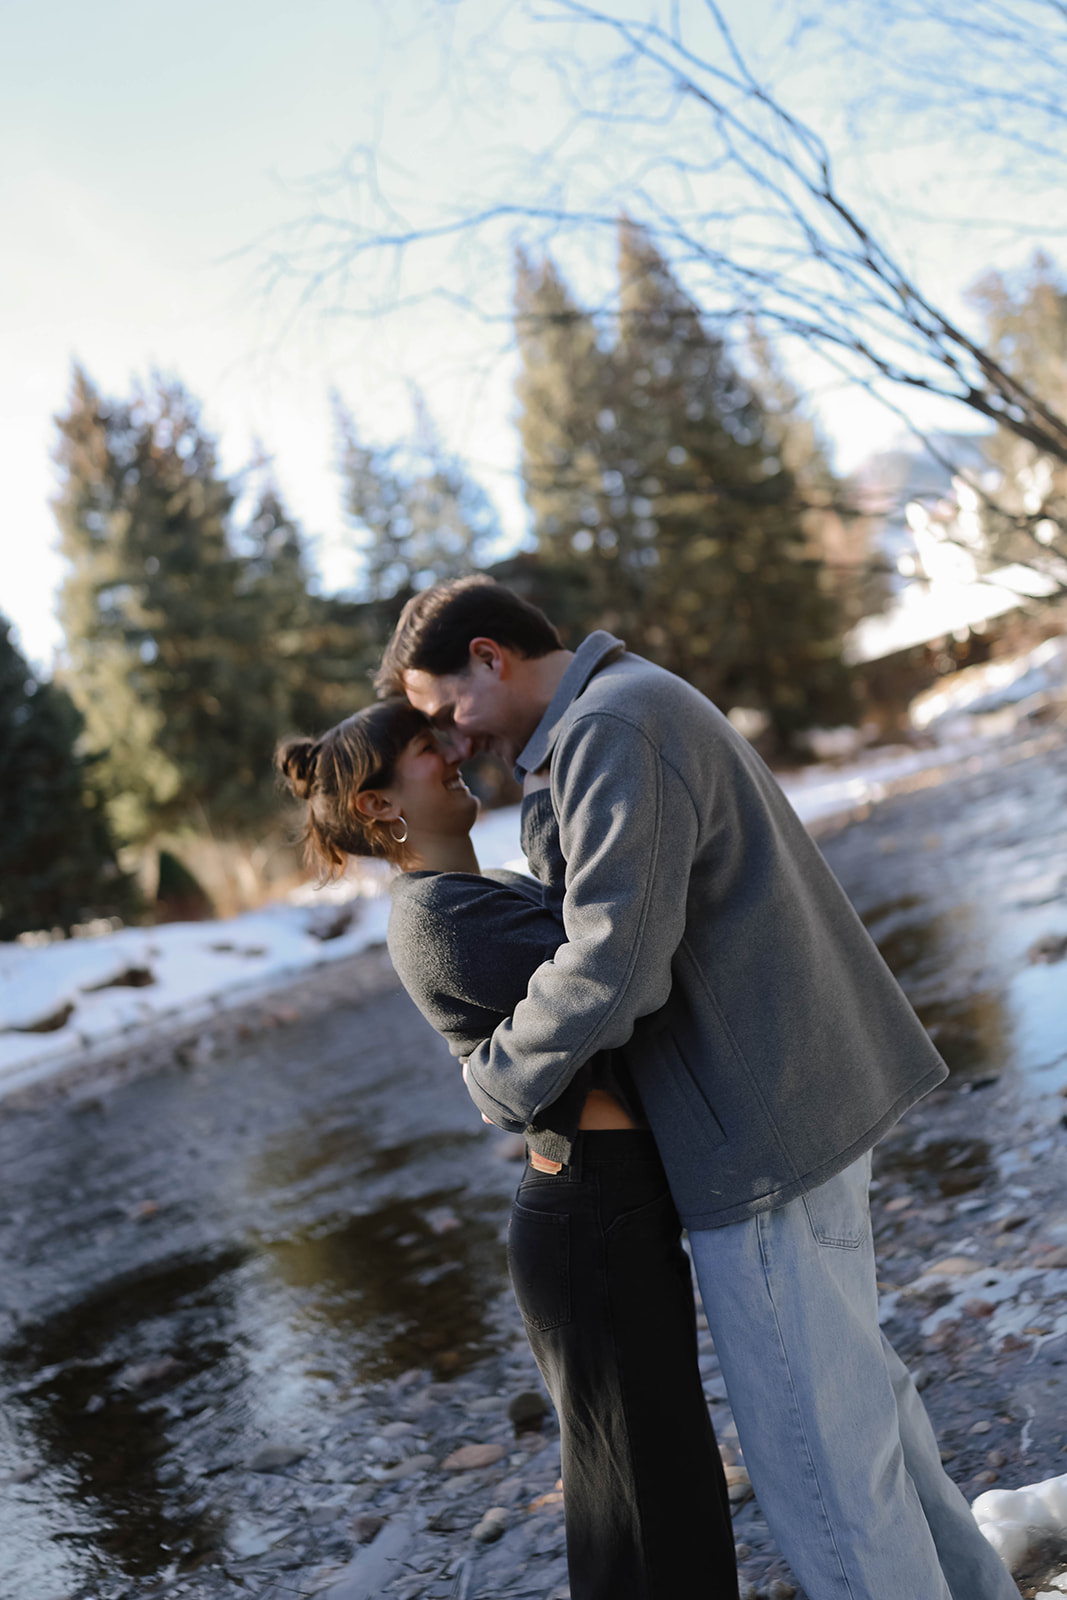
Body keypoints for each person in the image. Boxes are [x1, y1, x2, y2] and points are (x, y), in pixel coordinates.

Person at [376, 575, 1018, 1600]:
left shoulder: (609, 728)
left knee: (819, 1469)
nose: (450, 738)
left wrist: (496, 1078)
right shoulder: (618, 709)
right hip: (792, 1105)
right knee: (868, 1422)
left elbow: (612, 966)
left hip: (754, 1138)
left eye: (444, 706)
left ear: (489, 658)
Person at [276, 700, 738, 1600]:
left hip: (613, 1207)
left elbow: (597, 929)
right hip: (589, 1217)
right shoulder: (435, 918)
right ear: (378, 806)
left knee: (659, 1469)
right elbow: (619, 961)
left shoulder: (478, 892)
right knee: (640, 1489)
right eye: (424, 751)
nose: (450, 754)